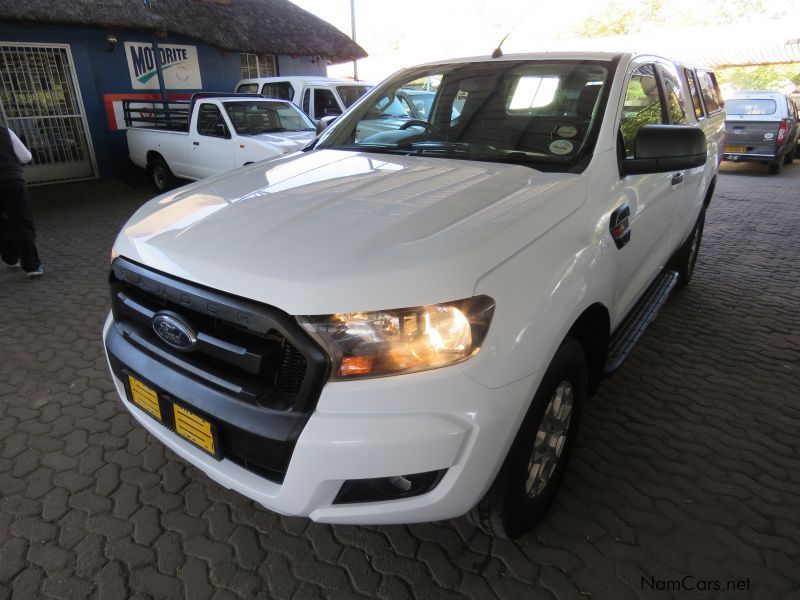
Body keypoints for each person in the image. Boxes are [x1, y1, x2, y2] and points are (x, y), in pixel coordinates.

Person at [0, 125, 42, 278]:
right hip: (11, 180)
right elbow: (26, 156)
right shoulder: (4, 131)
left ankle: (10, 258)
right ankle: (32, 266)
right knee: (21, 222)